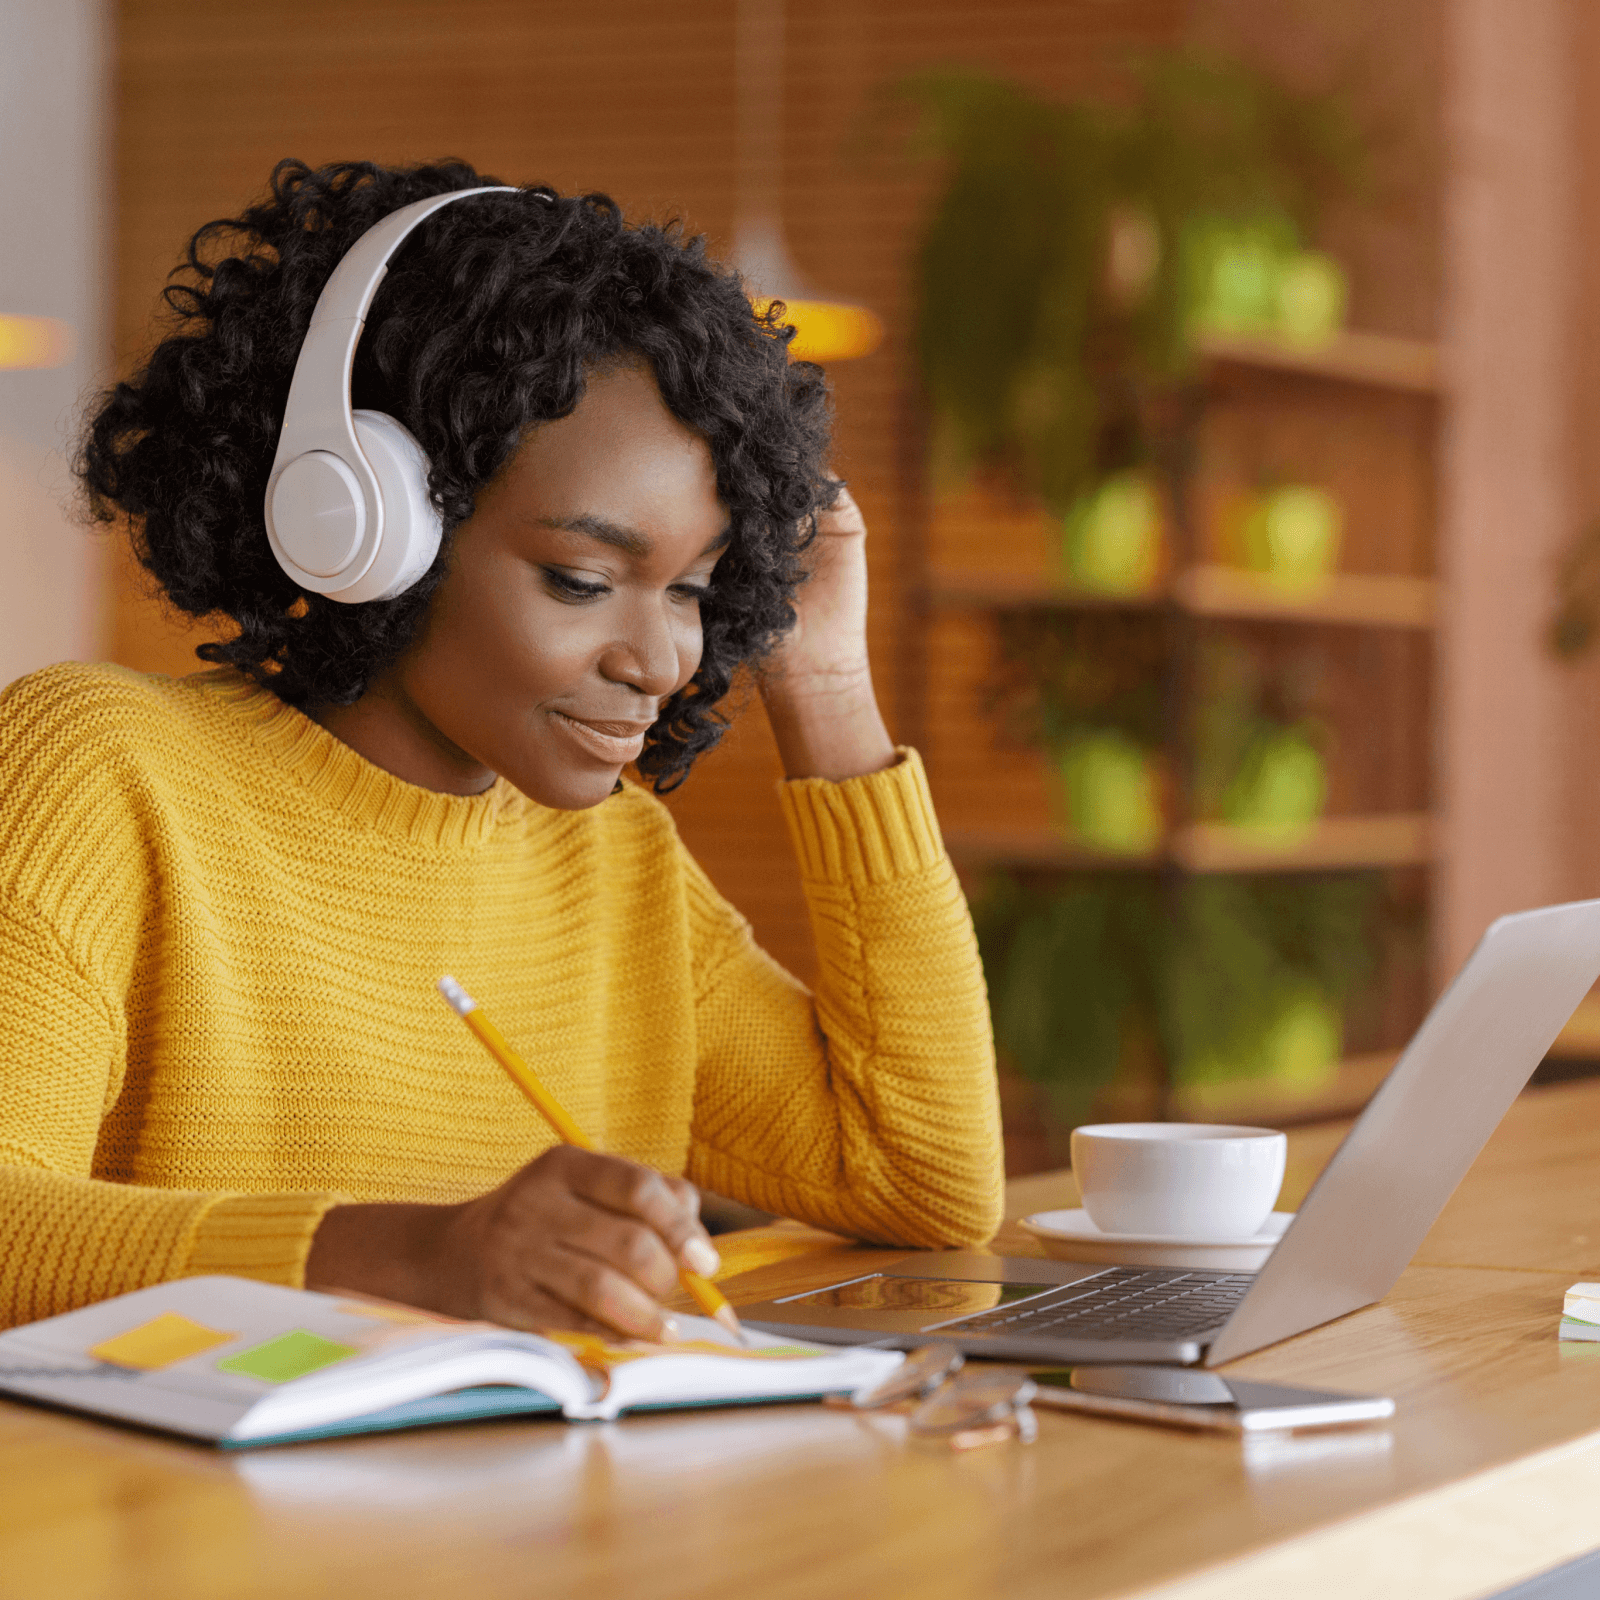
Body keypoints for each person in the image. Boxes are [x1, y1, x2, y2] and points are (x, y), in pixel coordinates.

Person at [0, 159, 1002, 1339]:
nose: (662, 657)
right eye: (583, 580)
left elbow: (924, 1182)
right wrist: (407, 1255)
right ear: (366, 522)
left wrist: (824, 680)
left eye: (692, 589)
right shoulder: (101, 771)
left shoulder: (616, 862)